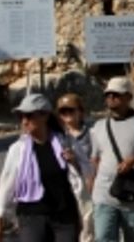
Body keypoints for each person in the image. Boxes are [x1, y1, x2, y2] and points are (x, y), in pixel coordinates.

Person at [0, 92, 88, 242]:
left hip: (64, 217)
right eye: (21, 117)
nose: (24, 121)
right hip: (31, 217)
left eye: (29, 116)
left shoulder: (66, 143)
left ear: (45, 116)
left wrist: (74, 162)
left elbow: (88, 171)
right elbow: (6, 185)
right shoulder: (18, 149)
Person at [89, 77, 134, 242]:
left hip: (133, 197)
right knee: (103, 238)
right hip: (104, 195)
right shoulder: (99, 126)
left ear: (128, 97)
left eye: (116, 94)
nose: (111, 98)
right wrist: (92, 185)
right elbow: (95, 159)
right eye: (108, 95)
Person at [56, 92, 95, 242]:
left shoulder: (91, 135)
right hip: (62, 190)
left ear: (80, 111)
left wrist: (75, 162)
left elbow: (94, 163)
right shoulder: (56, 136)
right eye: (62, 111)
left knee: (86, 232)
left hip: (85, 190)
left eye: (70, 110)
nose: (67, 114)